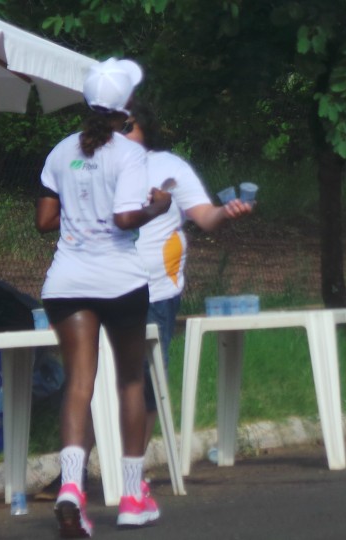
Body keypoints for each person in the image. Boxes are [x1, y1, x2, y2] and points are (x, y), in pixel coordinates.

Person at [36, 57, 171, 538]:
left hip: (67, 281)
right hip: (119, 280)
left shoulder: (60, 151)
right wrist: (159, 205)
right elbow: (124, 219)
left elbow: (45, 220)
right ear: (126, 108)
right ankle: (133, 498)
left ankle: (71, 487)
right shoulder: (130, 155)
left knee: (78, 381)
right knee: (131, 382)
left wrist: (78, 204)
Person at [121, 102, 254, 449]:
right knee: (97, 379)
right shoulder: (95, 167)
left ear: (145, 131)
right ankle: (76, 473)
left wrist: (226, 212)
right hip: (103, 289)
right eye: (112, 126)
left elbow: (205, 217)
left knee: (146, 381)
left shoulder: (167, 166)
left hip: (154, 292)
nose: (118, 133)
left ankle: (128, 469)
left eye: (127, 126)